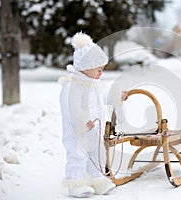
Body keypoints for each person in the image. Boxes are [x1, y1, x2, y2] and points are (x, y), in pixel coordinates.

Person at [59, 32, 127, 198]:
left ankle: (97, 180)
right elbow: (71, 108)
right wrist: (83, 121)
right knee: (78, 154)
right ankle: (75, 183)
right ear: (86, 67)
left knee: (97, 154)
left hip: (95, 130)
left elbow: (104, 98)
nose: (101, 73)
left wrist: (117, 96)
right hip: (80, 132)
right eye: (99, 69)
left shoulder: (95, 84)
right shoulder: (72, 86)